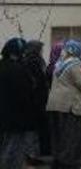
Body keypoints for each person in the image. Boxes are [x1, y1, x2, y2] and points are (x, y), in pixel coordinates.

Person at [46, 40, 81, 168]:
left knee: (58, 135)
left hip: (55, 104)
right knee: (71, 135)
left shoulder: (59, 64)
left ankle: (58, 160)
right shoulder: (75, 64)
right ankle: (67, 163)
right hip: (70, 106)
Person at [0, 38, 36, 169]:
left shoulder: (3, 65)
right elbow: (24, 94)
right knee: (13, 150)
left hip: (6, 116)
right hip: (16, 118)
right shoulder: (16, 69)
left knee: (7, 147)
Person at [22, 40, 50, 165]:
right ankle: (30, 156)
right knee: (33, 130)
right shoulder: (32, 62)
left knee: (35, 130)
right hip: (35, 102)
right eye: (40, 49)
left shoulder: (35, 61)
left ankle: (33, 155)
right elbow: (36, 82)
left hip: (37, 100)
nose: (41, 51)